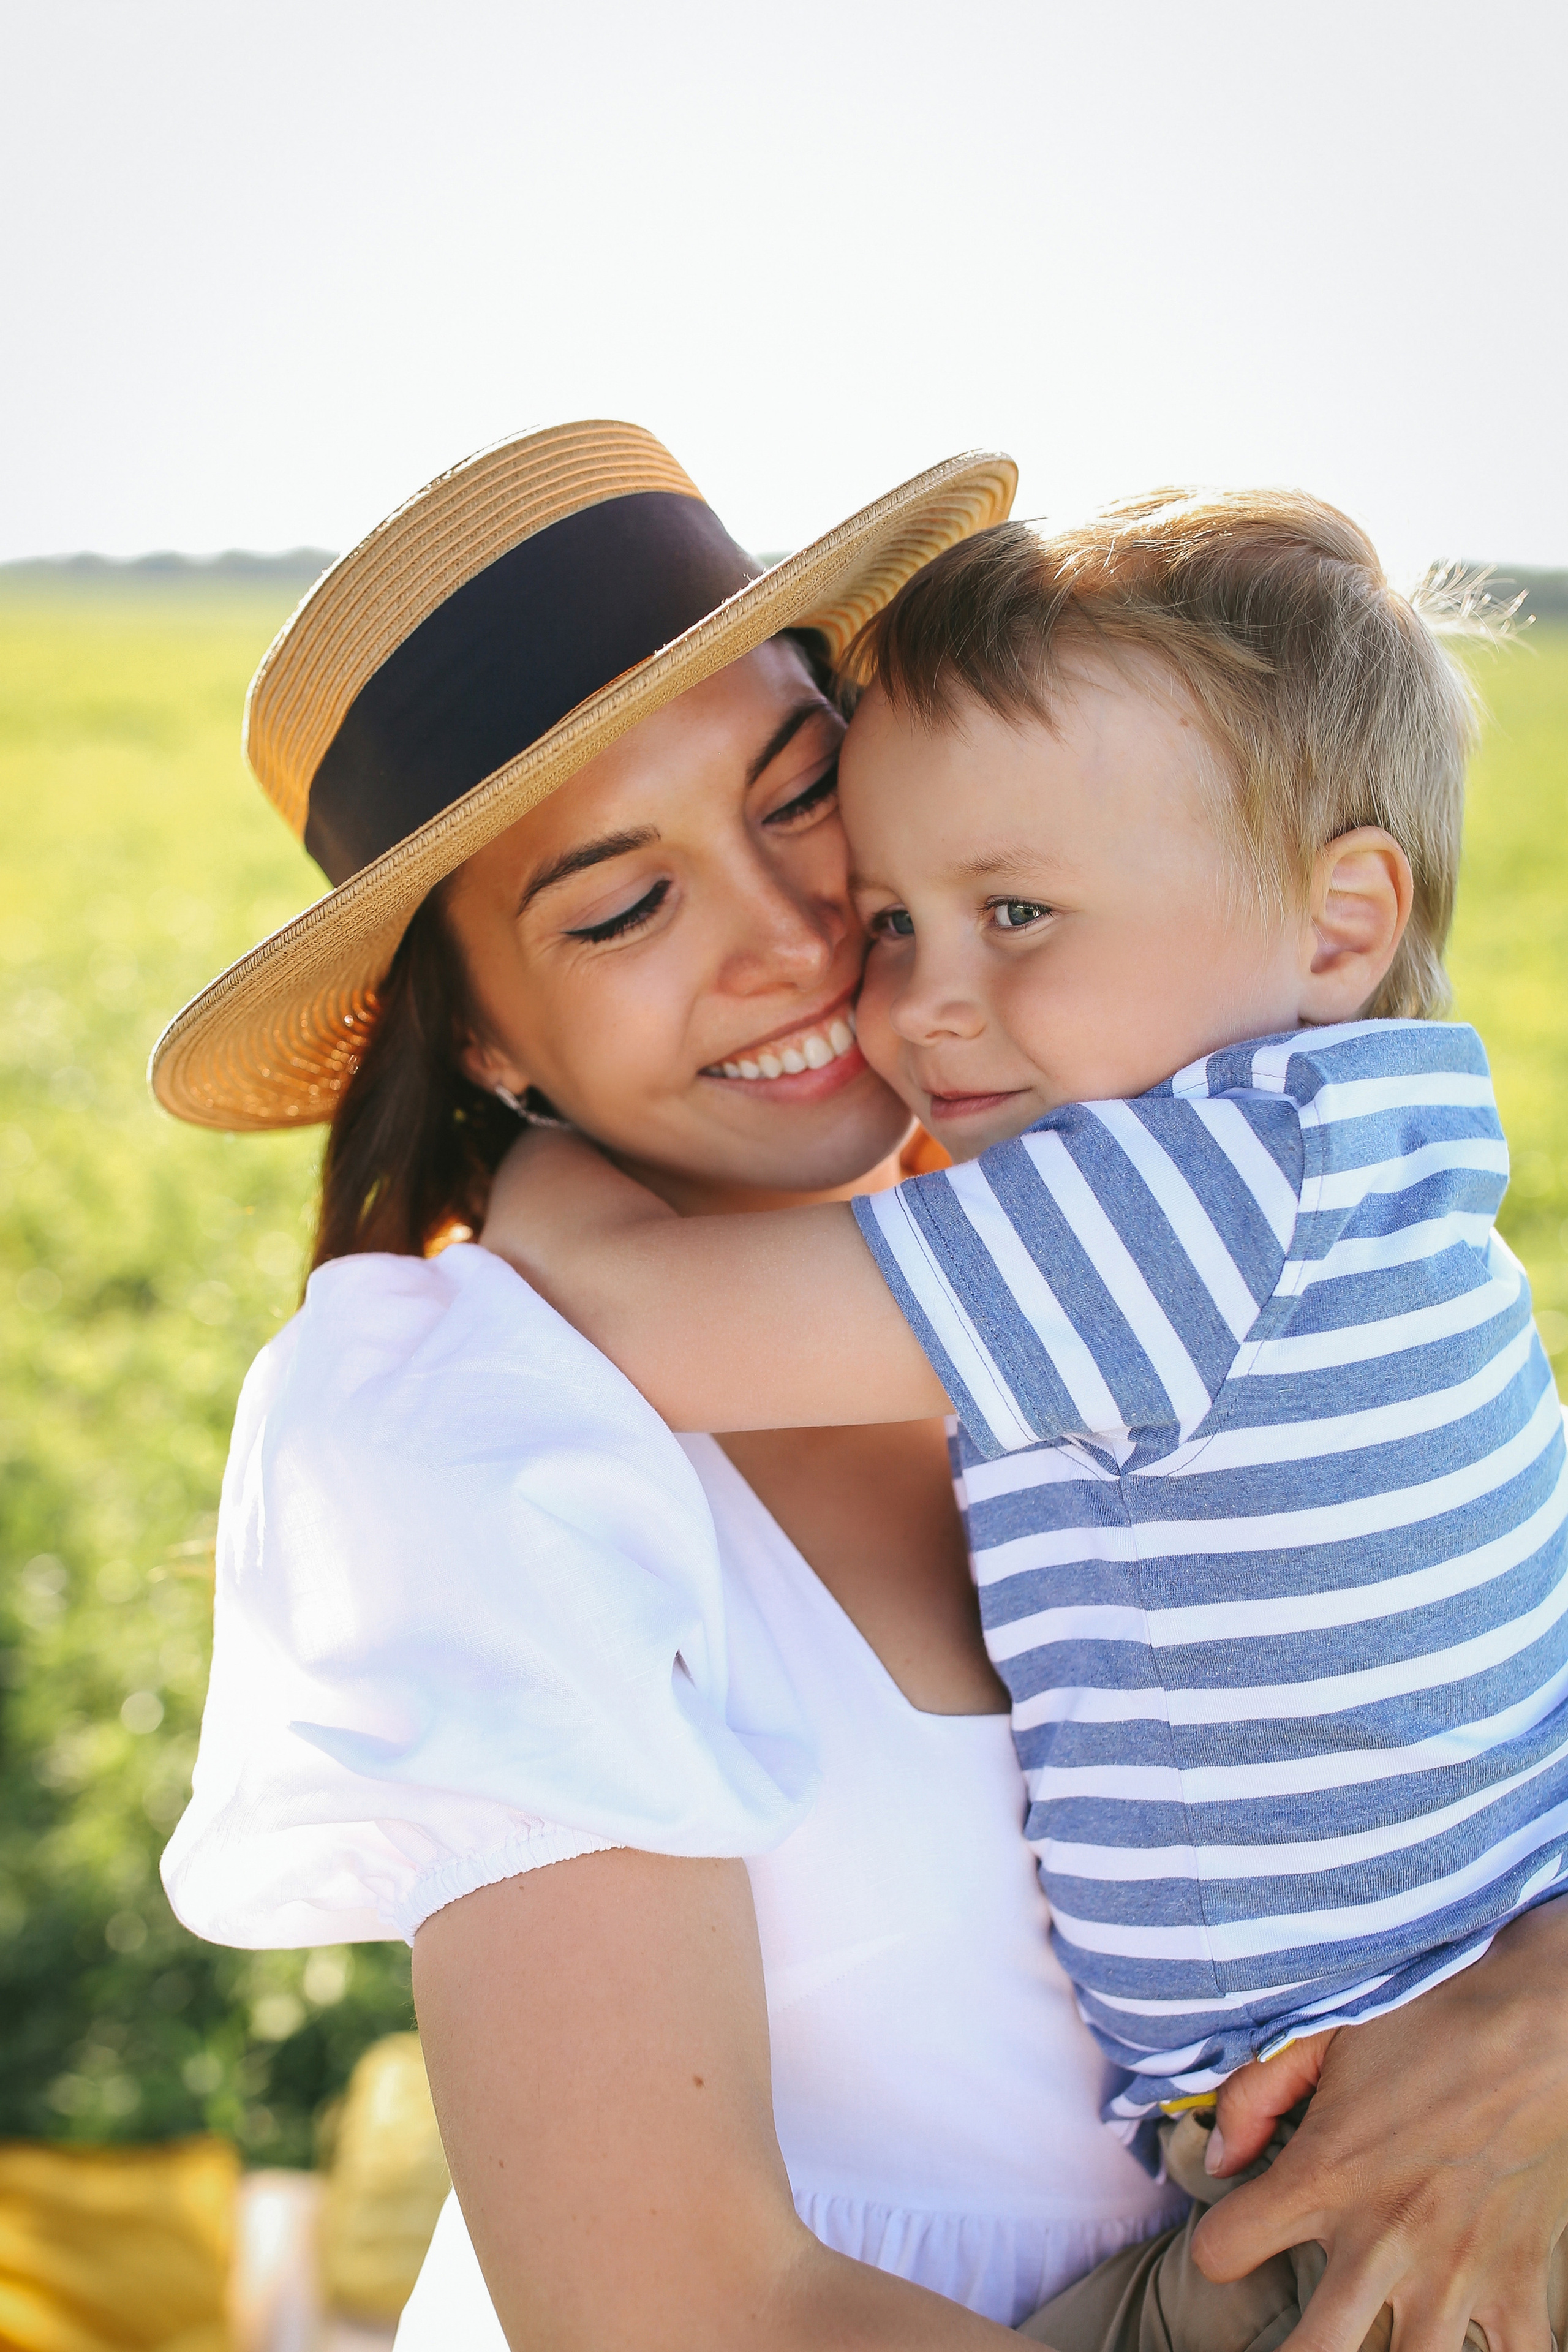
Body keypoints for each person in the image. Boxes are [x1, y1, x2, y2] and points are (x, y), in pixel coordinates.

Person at [152, 427, 1568, 2352]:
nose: (794, 932)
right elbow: (684, 2318)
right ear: (480, 1024)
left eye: (803, 798)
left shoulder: (1087, 1187)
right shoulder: (477, 1422)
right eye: (618, 906)